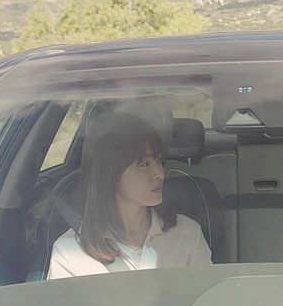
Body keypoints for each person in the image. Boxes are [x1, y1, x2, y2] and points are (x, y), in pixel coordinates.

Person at [48, 111, 211, 279]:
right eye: (144, 164)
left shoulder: (187, 233)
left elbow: (210, 295)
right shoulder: (69, 254)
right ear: (110, 173)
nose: (160, 174)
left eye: (158, 161)